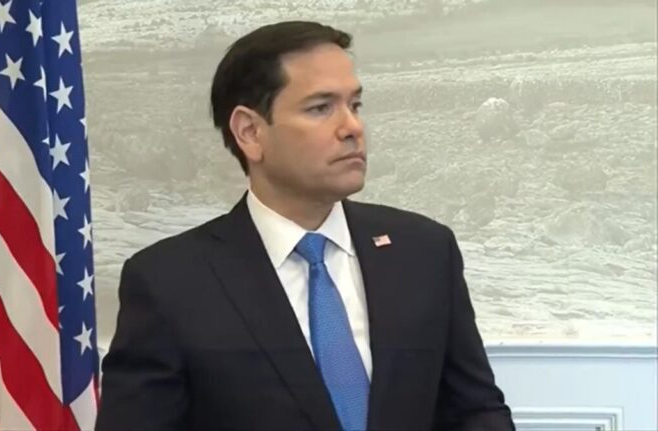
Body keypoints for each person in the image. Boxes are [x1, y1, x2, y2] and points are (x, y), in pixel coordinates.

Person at [96, 20, 514, 431]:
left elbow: (475, 411)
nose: (352, 127)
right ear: (250, 133)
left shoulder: (424, 251)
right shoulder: (169, 282)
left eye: (355, 105)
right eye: (320, 108)